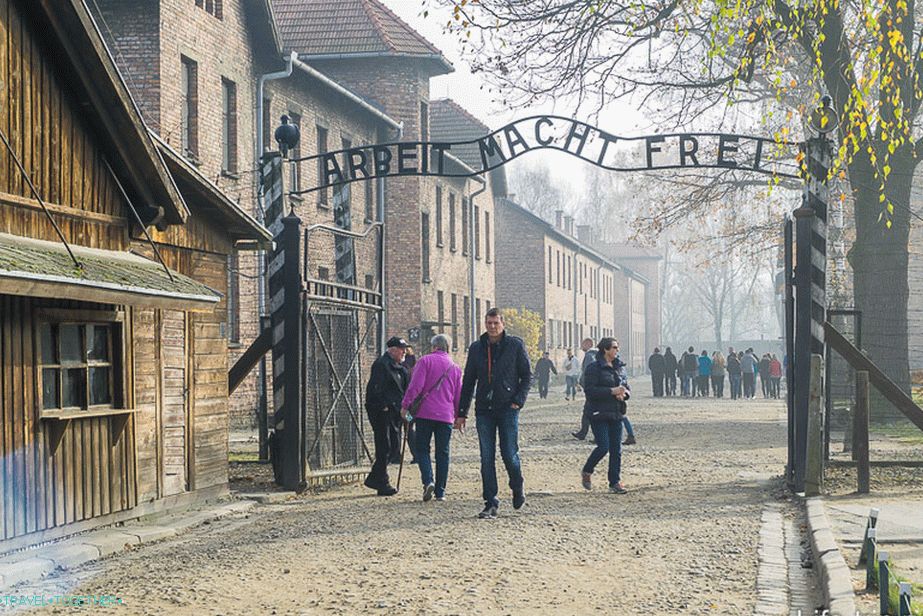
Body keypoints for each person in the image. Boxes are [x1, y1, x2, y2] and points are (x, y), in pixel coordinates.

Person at [459, 308, 532, 519]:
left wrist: (518, 401)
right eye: (489, 323)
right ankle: (490, 501)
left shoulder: (515, 345)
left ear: (502, 323)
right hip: (484, 409)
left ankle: (517, 485)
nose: (492, 327)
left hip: (508, 407)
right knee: (486, 457)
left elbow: (527, 375)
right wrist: (462, 411)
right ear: (485, 323)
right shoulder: (476, 348)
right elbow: (469, 381)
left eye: (495, 323)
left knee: (509, 453)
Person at [401, 334, 463, 502]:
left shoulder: (425, 361)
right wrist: (460, 416)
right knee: (443, 452)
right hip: (446, 415)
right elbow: (459, 395)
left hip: (425, 414)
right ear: (448, 347)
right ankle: (440, 492)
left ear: (434, 346)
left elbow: (416, 386)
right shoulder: (455, 368)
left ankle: (428, 480)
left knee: (422, 449)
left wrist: (405, 405)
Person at [580, 338, 630, 494]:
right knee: (603, 447)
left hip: (616, 412)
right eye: (614, 347)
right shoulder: (594, 368)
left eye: (617, 347)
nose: (617, 350)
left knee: (617, 449)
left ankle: (614, 482)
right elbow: (590, 391)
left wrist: (625, 394)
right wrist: (611, 391)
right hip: (598, 412)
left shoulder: (619, 368)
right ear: (605, 350)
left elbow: (626, 387)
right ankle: (587, 470)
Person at [364, 337, 410, 496]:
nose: (404, 351)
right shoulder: (381, 365)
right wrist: (382, 406)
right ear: (392, 349)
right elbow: (375, 389)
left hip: (396, 413)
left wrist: (408, 412)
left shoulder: (401, 368)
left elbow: (405, 391)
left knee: (394, 447)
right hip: (382, 413)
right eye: (401, 348)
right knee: (384, 446)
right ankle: (382, 482)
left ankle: (374, 477)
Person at [572, 338, 597, 440]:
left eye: (583, 344)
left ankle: (597, 435)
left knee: (591, 412)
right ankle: (583, 432)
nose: (581, 346)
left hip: (591, 388)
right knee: (588, 411)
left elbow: (588, 371)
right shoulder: (596, 354)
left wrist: (583, 383)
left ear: (588, 344)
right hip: (594, 387)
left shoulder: (589, 356)